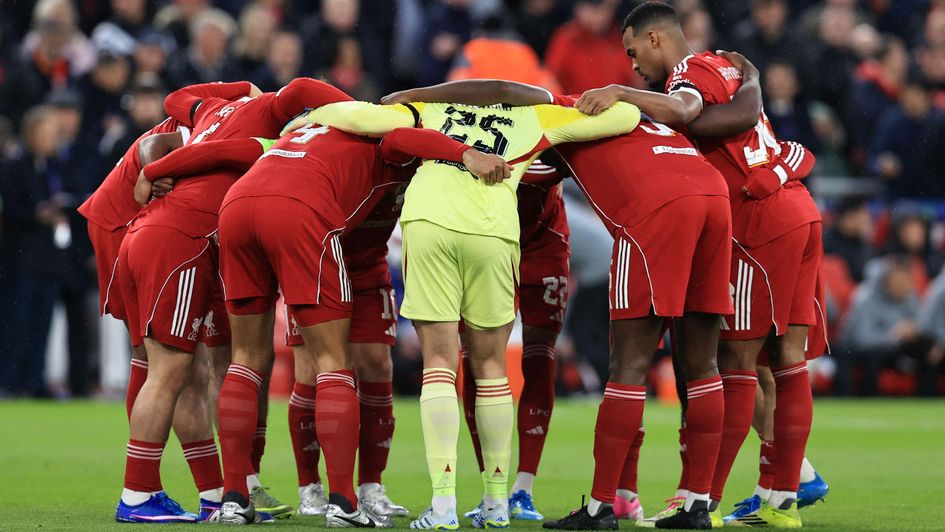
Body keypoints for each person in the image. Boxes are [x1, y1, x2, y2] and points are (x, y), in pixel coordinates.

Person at [381, 78, 735, 530]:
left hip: (642, 217)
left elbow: (484, 96)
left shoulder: (558, 111)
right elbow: (670, 111)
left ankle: (597, 504)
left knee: (624, 365)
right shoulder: (619, 118)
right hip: (710, 191)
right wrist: (624, 92)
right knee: (703, 363)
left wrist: (421, 104)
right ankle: (695, 503)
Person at [292, 92, 639, 529]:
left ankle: (442, 509)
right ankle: (496, 506)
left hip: (431, 225)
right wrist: (571, 97)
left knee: (440, 363)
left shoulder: (429, 108)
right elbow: (625, 117)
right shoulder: (534, 115)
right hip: (494, 230)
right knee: (492, 366)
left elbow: (354, 114)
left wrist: (303, 121)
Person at [575, 2, 825, 526]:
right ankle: (784, 490)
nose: (633, 65)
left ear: (656, 38)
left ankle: (704, 500)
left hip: (759, 223)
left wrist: (623, 95)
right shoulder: (731, 71)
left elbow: (688, 111)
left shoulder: (691, 73)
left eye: (633, 51)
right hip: (794, 209)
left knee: (734, 365)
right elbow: (749, 126)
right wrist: (753, 82)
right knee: (784, 359)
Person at [209, 120, 506, 527]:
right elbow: (399, 135)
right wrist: (466, 153)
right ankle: (338, 500)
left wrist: (153, 169)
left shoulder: (310, 131)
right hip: (306, 223)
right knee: (329, 364)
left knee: (245, 359)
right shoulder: (384, 132)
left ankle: (234, 499)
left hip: (240, 207)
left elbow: (229, 148)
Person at [115, 78, 350, 524]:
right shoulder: (267, 123)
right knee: (169, 371)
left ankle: (209, 493)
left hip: (149, 231)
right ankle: (138, 493)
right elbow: (297, 90)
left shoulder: (211, 112)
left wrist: (239, 86)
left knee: (168, 368)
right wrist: (352, 109)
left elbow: (175, 99)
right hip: (182, 239)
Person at [460, 162, 571, 522]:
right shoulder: (465, 114)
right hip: (482, 237)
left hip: (544, 242)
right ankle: (490, 487)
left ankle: (523, 488)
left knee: (540, 358)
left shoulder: (548, 109)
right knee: (477, 361)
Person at [838, 256, 924, 396]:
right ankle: (869, 399)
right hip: (855, 349)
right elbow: (863, 339)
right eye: (898, 282)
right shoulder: (865, 298)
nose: (903, 287)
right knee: (873, 357)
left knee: (928, 352)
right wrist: (895, 334)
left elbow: (919, 325)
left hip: (892, 348)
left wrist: (914, 331)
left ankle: (925, 398)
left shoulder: (909, 298)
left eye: (906, 282)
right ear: (887, 281)